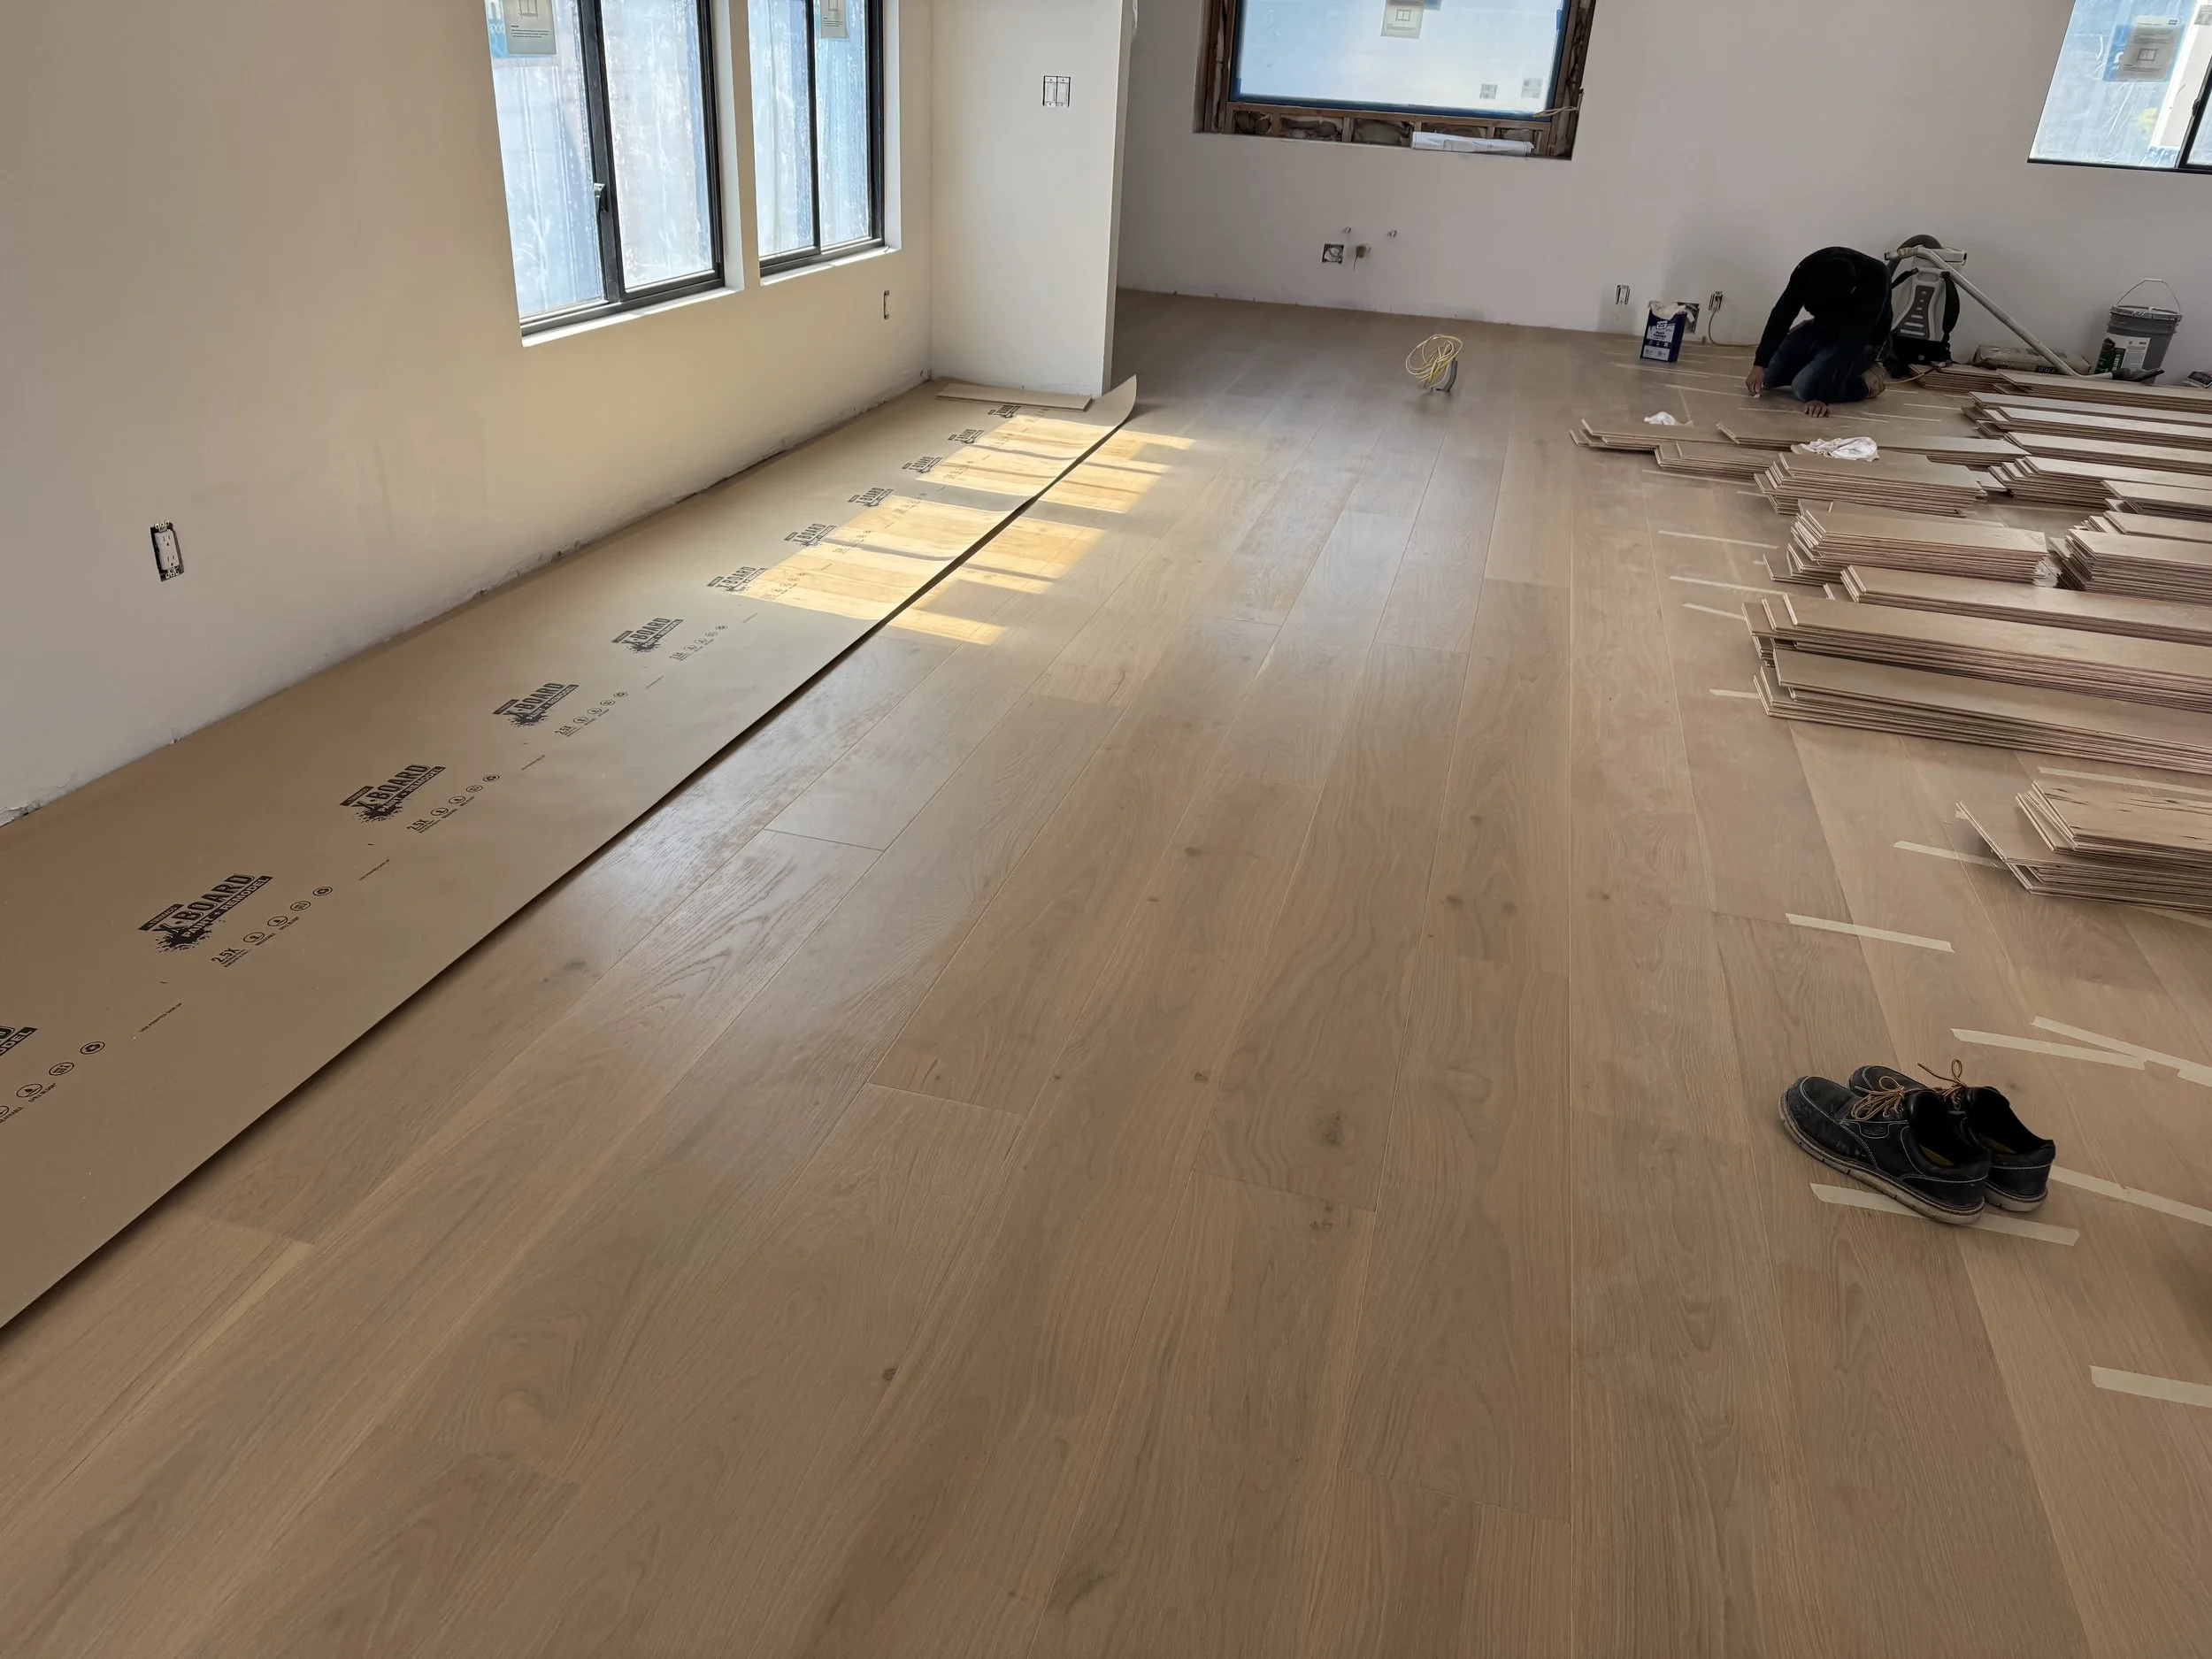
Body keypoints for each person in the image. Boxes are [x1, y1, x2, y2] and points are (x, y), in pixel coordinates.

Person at [1742, 246, 1893, 417]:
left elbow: (1851, 345)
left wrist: (1822, 397)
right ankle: (1815, 367)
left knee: (1804, 389)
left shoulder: (1875, 278)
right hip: (1821, 328)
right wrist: (1760, 364)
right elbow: (1782, 314)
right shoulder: (1808, 268)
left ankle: (1868, 383)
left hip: (1864, 340)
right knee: (1767, 376)